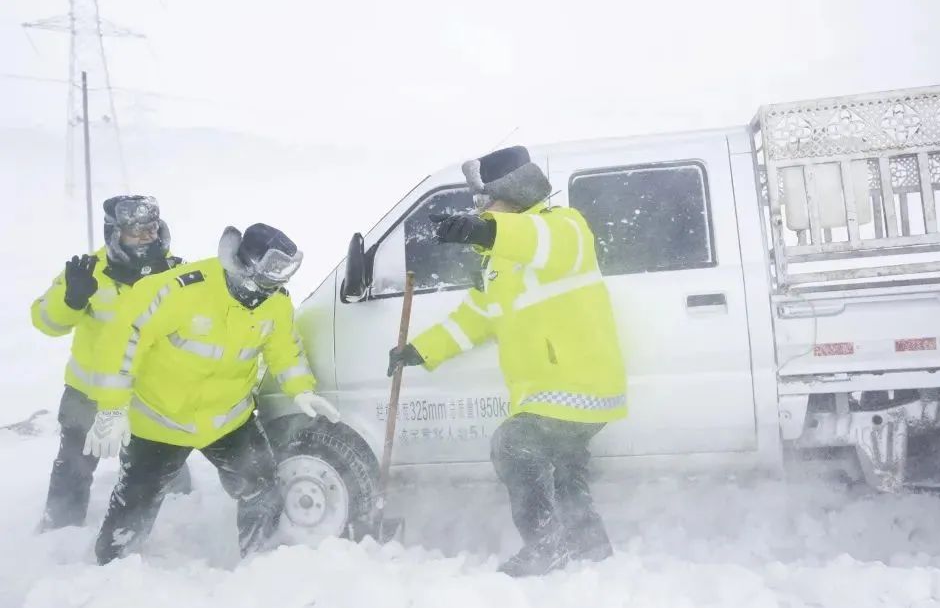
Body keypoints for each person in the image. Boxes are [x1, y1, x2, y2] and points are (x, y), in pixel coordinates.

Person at [387, 145, 628, 576]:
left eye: (487, 200)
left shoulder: (564, 228)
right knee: (564, 471)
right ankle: (590, 546)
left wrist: (482, 231)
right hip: (551, 393)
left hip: (576, 385)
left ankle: (547, 547)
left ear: (513, 193)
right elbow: (476, 319)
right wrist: (420, 351)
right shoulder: (502, 265)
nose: (481, 210)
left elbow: (534, 239)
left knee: (514, 444)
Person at [87, 223, 341, 564]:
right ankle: (110, 572)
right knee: (135, 503)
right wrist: (112, 409)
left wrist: (301, 391)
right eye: (266, 280)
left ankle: (261, 560)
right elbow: (122, 342)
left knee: (262, 484)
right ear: (242, 266)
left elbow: (285, 349)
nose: (271, 290)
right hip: (160, 418)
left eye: (279, 281)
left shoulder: (275, 302)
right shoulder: (179, 290)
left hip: (227, 418)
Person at [31, 195, 190, 530]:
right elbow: (45, 321)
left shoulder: (176, 272)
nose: (146, 238)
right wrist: (71, 300)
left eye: (150, 230)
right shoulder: (88, 270)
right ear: (114, 233)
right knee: (74, 465)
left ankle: (180, 517)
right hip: (89, 394)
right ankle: (58, 531)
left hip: (150, 394)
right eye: (135, 232)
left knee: (163, 463)